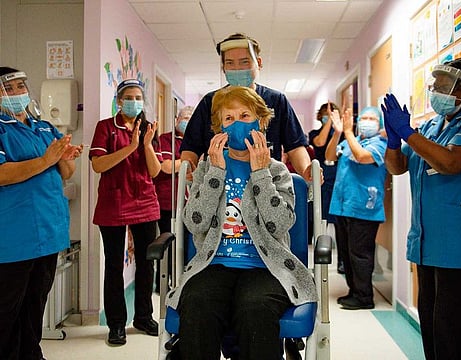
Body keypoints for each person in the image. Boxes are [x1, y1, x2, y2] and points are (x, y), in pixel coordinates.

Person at [166, 86, 317, 360]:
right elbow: (195, 223)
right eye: (229, 119)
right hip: (214, 264)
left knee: (255, 308)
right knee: (198, 304)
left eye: (245, 115)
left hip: (266, 266)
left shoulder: (277, 171)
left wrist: (260, 174)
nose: (237, 124)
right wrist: (214, 172)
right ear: (218, 129)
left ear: (261, 121)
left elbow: (279, 225)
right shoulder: (206, 167)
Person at [382, 58, 461, 360]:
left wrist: (409, 132)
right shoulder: (434, 125)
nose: (435, 90)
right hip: (428, 246)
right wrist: (395, 141)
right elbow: (398, 168)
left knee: (454, 336)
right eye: (434, 84)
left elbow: (451, 163)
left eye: (443, 85)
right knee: (434, 332)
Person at [0, 67, 83, 360]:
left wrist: (64, 159)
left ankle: (32, 354)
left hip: (48, 233)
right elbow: (2, 173)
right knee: (7, 309)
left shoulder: (44, 126)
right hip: (13, 239)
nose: (19, 92)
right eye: (10, 88)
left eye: (22, 85)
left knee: (36, 303)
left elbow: (66, 173)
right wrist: (46, 158)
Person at [180, 32, 314, 181]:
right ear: (223, 67)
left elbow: (295, 146)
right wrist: (188, 168)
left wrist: (306, 171)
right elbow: (191, 147)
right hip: (219, 189)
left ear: (259, 62)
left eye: (244, 62)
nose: (237, 68)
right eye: (230, 63)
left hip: (266, 185)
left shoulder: (276, 100)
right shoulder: (210, 102)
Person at [89, 79, 162, 346]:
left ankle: (143, 317)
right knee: (114, 265)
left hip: (144, 202)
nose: (134, 102)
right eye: (129, 97)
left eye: (138, 97)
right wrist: (130, 147)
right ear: (119, 101)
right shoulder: (105, 127)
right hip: (114, 203)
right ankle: (116, 324)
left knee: (146, 263)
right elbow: (98, 165)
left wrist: (146, 144)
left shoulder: (147, 129)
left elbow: (154, 172)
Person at [326, 105, 387, 310]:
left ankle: (364, 297)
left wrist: (349, 132)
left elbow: (362, 157)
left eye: (372, 118)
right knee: (347, 253)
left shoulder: (380, 144)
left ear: (379, 124)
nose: (367, 121)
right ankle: (354, 291)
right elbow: (329, 157)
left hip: (365, 207)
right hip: (344, 206)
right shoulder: (351, 140)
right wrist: (337, 133)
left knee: (360, 254)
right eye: (364, 117)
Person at [153, 105, 193, 293]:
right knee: (168, 244)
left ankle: (184, 281)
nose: (187, 121)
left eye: (191, 118)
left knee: (186, 244)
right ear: (177, 119)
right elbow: (166, 167)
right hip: (167, 202)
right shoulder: (166, 140)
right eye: (184, 117)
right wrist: (189, 163)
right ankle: (163, 285)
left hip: (190, 203)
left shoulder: (195, 141)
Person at [309, 102, 345, 273]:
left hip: (339, 179)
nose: (328, 116)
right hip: (323, 180)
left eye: (331, 114)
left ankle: (342, 261)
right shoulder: (314, 133)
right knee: (321, 218)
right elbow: (321, 142)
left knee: (339, 221)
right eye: (325, 114)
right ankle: (322, 257)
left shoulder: (343, 135)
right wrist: (330, 122)